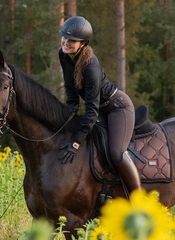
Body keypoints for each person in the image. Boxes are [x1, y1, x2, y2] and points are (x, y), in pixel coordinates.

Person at [58, 16, 141, 193]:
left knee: (116, 153)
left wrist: (75, 143)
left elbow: (91, 110)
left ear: (83, 43)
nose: (66, 42)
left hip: (117, 107)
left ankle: (138, 198)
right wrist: (69, 114)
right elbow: (71, 90)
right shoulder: (63, 54)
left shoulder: (90, 66)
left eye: (72, 40)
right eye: (64, 37)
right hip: (98, 109)